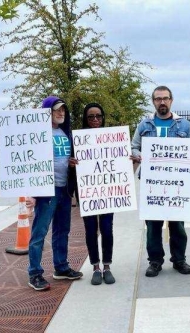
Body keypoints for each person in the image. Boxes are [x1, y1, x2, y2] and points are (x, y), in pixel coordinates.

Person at [131, 86, 190, 277]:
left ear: (171, 100)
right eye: (158, 99)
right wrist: (140, 155)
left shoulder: (184, 125)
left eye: (165, 98)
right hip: (152, 184)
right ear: (153, 101)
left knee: (177, 224)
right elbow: (134, 147)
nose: (162, 102)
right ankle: (155, 261)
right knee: (153, 225)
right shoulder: (144, 125)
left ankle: (179, 260)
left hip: (177, 183)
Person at [25, 96, 83, 291]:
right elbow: (31, 163)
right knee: (40, 232)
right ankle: (34, 273)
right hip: (46, 191)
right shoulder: (38, 134)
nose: (61, 113)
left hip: (64, 188)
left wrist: (71, 162)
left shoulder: (64, 133)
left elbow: (63, 158)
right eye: (57, 109)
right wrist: (31, 192)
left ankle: (61, 267)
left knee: (62, 230)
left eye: (63, 110)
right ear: (46, 111)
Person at [70, 103, 116, 285]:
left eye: (98, 116)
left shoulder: (111, 139)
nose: (95, 119)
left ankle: (107, 266)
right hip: (86, 192)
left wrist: (126, 159)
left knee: (107, 229)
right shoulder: (78, 140)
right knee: (90, 230)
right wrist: (71, 163)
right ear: (85, 119)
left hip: (107, 191)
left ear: (103, 117)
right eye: (91, 117)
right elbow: (70, 165)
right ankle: (95, 267)